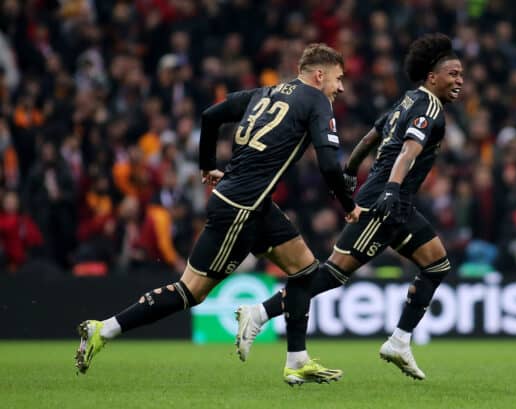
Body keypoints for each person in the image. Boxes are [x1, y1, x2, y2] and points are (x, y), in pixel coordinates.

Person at [75, 43, 361, 383]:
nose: (340, 87)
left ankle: (295, 357)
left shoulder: (265, 93)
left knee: (305, 270)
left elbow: (210, 116)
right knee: (191, 291)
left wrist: (207, 166)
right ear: (319, 75)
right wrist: (348, 205)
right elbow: (330, 166)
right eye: (338, 79)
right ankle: (104, 329)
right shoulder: (317, 101)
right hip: (242, 208)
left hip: (251, 202)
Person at [235, 33, 463, 381]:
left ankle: (400, 341)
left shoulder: (408, 100)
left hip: (396, 203)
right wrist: (387, 189)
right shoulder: (429, 107)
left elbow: (372, 136)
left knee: (437, 264)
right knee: (333, 273)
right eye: (453, 74)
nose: (459, 81)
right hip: (385, 202)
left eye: (461, 75)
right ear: (433, 77)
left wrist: (349, 172)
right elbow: (408, 152)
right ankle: (260, 313)